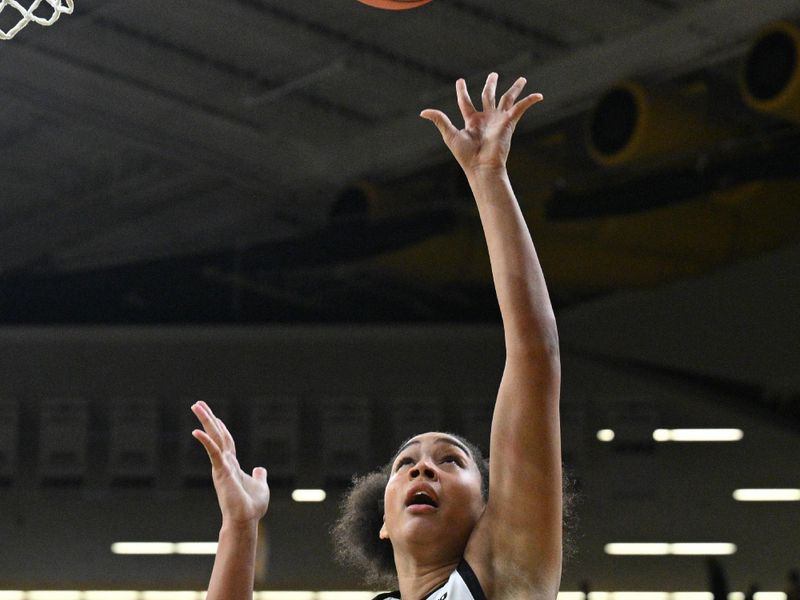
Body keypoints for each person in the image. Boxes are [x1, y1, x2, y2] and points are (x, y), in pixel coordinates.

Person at [191, 72, 563, 600]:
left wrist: (488, 177)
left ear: (488, 512)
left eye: (450, 462)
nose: (423, 468)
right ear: (382, 523)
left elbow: (534, 353)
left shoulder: (501, 578)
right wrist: (240, 526)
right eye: (406, 464)